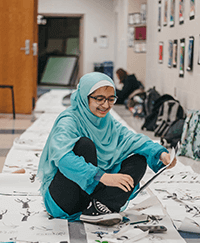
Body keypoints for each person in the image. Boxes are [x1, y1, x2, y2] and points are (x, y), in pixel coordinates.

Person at [37, 72, 176, 226]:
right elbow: (63, 159)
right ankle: (98, 205)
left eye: (111, 99)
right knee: (85, 145)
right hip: (66, 199)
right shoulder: (69, 121)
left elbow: (132, 138)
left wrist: (161, 153)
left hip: (92, 197)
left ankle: (99, 208)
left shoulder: (107, 122)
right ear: (85, 97)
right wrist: (102, 176)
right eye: (99, 99)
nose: (105, 105)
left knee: (139, 160)